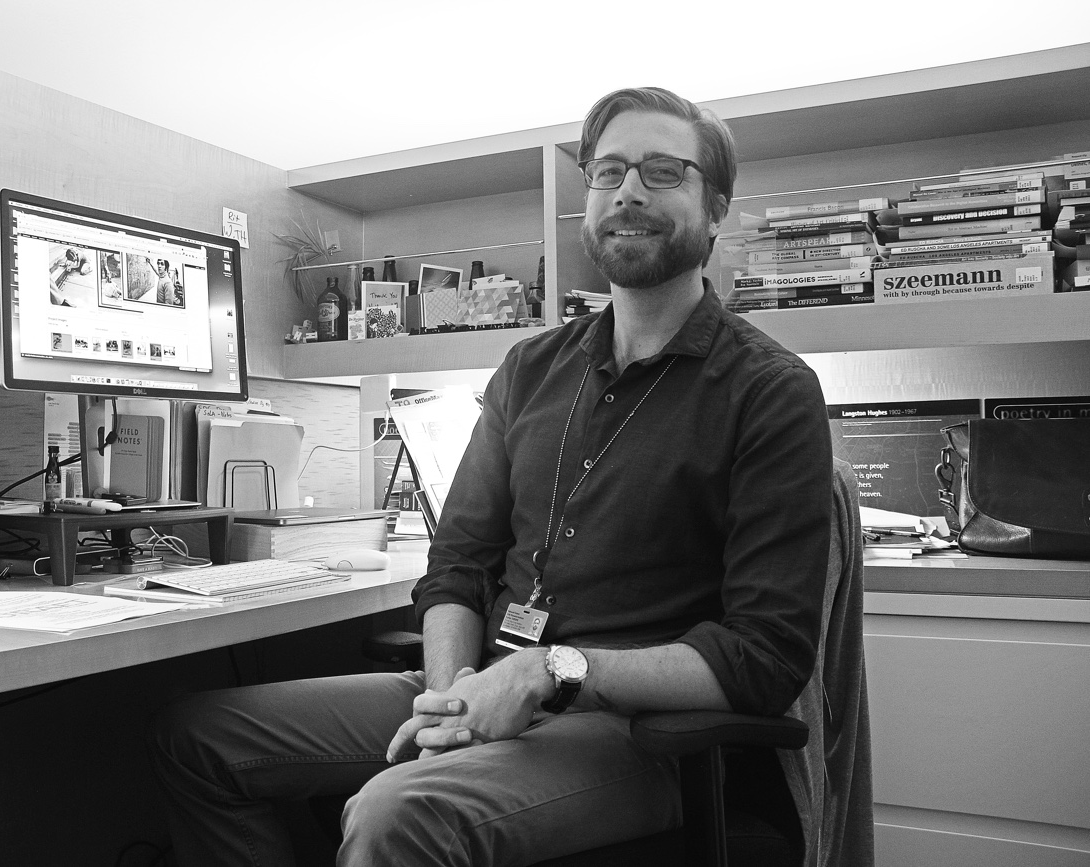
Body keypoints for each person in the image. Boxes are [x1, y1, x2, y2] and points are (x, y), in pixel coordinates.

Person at [147, 85, 833, 866]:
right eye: (607, 172)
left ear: (715, 209)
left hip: (638, 733)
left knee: (392, 814)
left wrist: (548, 672)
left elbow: (765, 659)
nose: (629, 191)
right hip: (483, 682)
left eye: (663, 171)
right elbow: (457, 567)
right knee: (198, 735)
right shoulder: (530, 368)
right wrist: (453, 696)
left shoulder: (769, 391)